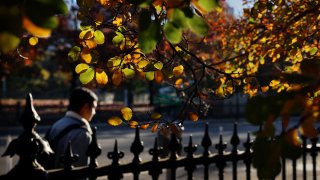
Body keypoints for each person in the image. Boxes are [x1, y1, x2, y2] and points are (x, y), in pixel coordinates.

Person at [45, 87, 98, 168]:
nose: (94, 112)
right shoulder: (82, 134)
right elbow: (79, 170)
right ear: (86, 107)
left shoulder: (57, 124)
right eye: (94, 107)